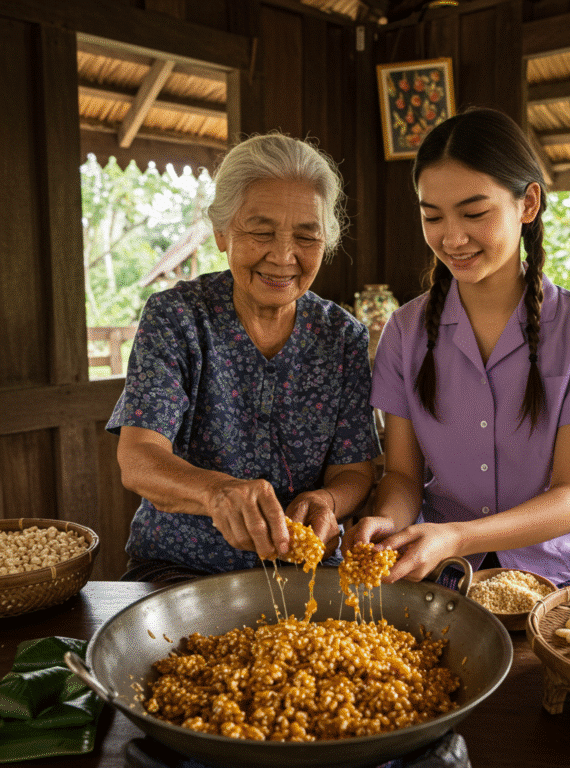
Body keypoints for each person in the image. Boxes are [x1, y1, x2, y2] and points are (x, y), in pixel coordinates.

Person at [344, 107, 570, 588]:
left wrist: (458, 537)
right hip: (445, 571)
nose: (453, 237)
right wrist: (389, 521)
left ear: (528, 204)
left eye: (475, 213)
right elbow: (402, 475)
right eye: (432, 216)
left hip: (561, 573)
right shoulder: (405, 330)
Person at [107, 132, 380, 582]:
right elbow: (138, 458)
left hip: (304, 569)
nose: (284, 256)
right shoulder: (177, 317)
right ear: (221, 232)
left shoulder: (342, 336)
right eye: (261, 232)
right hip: (181, 567)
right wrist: (217, 493)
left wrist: (328, 503)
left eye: (306, 236)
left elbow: (353, 469)